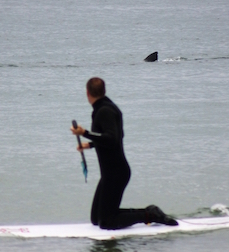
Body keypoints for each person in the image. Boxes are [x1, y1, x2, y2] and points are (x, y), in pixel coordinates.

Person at [70, 77, 178, 230]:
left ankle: (151, 215)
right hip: (110, 174)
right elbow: (114, 137)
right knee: (96, 219)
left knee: (106, 222)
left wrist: (84, 132)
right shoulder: (108, 108)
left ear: (87, 93)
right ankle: (146, 212)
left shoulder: (104, 111)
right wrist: (90, 145)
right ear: (104, 90)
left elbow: (112, 139)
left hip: (116, 174)